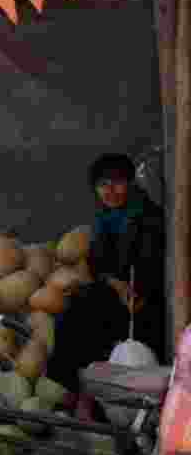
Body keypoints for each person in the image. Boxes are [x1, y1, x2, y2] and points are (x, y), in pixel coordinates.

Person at [45, 153, 166, 420]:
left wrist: (133, 291)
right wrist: (114, 283)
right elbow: (97, 264)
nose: (110, 191)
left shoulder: (149, 217)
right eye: (103, 185)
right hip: (116, 291)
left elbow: (153, 265)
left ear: (131, 183)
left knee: (96, 325)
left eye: (117, 183)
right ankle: (74, 392)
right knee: (71, 314)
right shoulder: (104, 218)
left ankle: (89, 402)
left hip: (144, 299)